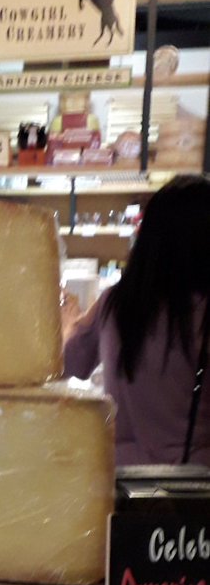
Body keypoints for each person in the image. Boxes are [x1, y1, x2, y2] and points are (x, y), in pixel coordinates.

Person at [62, 174, 210, 466]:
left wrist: (69, 323)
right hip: (196, 479)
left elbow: (71, 363)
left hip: (124, 476)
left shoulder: (115, 302)